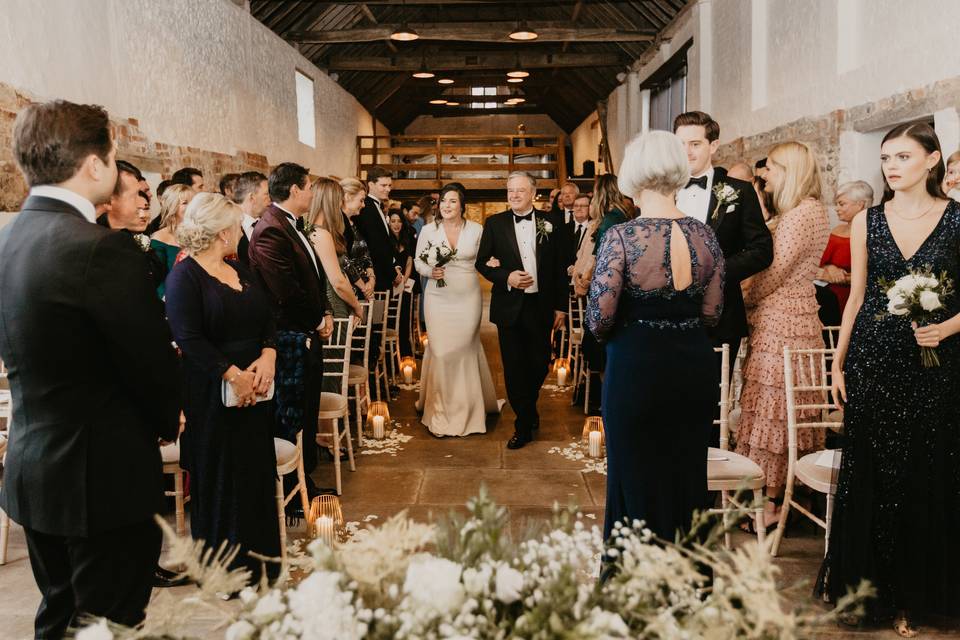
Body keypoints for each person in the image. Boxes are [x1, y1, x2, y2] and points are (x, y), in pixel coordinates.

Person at [0, 100, 181, 637]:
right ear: (95, 164)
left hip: (35, 469)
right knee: (108, 623)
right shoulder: (103, 250)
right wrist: (167, 422)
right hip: (101, 481)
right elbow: (150, 364)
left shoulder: (9, 240)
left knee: (60, 616)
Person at [818, 123, 960, 637]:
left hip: (937, 364)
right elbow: (855, 296)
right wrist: (838, 359)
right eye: (885, 158)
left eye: (902, 155)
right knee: (875, 472)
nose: (891, 166)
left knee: (927, 469)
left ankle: (921, 593)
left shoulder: (957, 219)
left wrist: (946, 326)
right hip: (874, 359)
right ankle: (874, 593)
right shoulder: (868, 221)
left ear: (932, 159)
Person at [586, 130, 724, 545]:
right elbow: (713, 313)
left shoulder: (622, 237)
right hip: (693, 366)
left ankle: (637, 582)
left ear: (634, 173)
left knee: (634, 474)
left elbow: (598, 318)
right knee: (685, 474)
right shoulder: (706, 235)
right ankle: (686, 580)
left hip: (637, 368)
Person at [164, 193, 280, 586]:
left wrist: (268, 356)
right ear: (220, 231)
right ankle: (225, 571)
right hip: (211, 391)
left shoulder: (241, 269)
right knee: (220, 475)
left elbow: (268, 317)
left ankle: (262, 562)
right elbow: (188, 337)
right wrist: (233, 374)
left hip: (257, 388)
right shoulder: (185, 275)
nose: (238, 231)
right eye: (234, 225)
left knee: (255, 473)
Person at [734, 141, 830, 530]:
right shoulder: (814, 211)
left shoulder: (797, 217)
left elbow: (774, 272)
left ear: (789, 171)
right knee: (793, 406)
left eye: (771, 168)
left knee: (773, 410)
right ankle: (792, 489)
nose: (764, 175)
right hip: (803, 317)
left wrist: (742, 297)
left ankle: (771, 502)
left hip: (782, 322)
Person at [249, 162, 333, 503]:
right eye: (309, 186)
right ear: (295, 190)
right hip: (289, 337)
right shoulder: (271, 230)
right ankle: (295, 491)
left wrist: (324, 310)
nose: (312, 193)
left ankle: (305, 479)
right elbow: (285, 290)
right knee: (293, 412)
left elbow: (312, 278)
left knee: (307, 407)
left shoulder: (290, 224)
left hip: (304, 331)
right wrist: (315, 320)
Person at [476, 172, 567, 449]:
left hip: (540, 305)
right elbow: (482, 263)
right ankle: (523, 424)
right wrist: (507, 277)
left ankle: (528, 406)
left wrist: (561, 307)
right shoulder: (495, 223)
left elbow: (560, 268)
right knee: (514, 368)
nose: (514, 195)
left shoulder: (552, 222)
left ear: (533, 193)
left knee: (540, 363)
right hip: (509, 306)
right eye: (510, 191)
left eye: (520, 190)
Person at [416, 183, 498, 437]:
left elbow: (487, 257)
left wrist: (493, 261)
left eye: (452, 201)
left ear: (462, 205)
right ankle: (439, 411)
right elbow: (419, 259)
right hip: (437, 297)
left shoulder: (477, 230)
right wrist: (430, 271)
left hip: (467, 296)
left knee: (463, 349)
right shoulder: (429, 230)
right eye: (443, 201)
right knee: (440, 352)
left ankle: (468, 409)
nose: (446, 205)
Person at [817, 181, 874, 321]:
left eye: (842, 204)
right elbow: (819, 262)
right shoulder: (837, 230)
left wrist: (841, 278)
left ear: (860, 204)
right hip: (826, 297)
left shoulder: (873, 233)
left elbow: (874, 274)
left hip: (856, 298)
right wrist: (830, 267)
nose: (836, 208)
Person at [151, 183, 195, 299]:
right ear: (172, 206)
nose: (191, 207)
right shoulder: (159, 238)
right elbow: (158, 279)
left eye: (193, 202)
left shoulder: (201, 233)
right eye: (185, 203)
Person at [340, 177, 376, 301]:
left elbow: (365, 254)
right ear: (347, 197)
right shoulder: (338, 225)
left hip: (365, 288)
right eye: (361, 200)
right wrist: (363, 286)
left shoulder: (357, 223)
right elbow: (344, 260)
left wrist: (371, 279)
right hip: (350, 290)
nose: (363, 205)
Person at [389, 211, 416, 358]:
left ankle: (405, 351)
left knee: (405, 316)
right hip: (391, 282)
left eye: (399, 221)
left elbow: (409, 261)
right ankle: (392, 355)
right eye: (393, 221)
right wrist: (396, 278)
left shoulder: (407, 239)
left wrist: (405, 279)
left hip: (405, 284)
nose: (396, 224)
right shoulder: (386, 239)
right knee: (392, 317)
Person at [232, 171, 270, 269]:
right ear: (252, 197)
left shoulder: (268, 226)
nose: (271, 199)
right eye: (267, 194)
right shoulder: (230, 225)